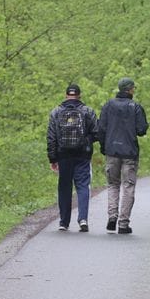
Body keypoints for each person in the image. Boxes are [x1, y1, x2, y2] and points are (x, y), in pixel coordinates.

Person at [98, 77, 148, 234]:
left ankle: (112, 217)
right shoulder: (135, 107)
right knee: (128, 186)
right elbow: (141, 130)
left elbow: (101, 128)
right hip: (130, 152)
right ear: (130, 89)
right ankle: (123, 223)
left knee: (113, 184)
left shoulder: (108, 105)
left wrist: (103, 146)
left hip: (111, 151)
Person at [47, 84, 98, 232]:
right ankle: (83, 219)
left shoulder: (56, 112)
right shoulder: (88, 111)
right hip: (82, 155)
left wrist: (52, 158)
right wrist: (86, 142)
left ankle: (64, 222)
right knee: (83, 186)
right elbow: (97, 132)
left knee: (64, 187)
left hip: (63, 155)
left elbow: (51, 137)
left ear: (66, 95)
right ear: (79, 95)